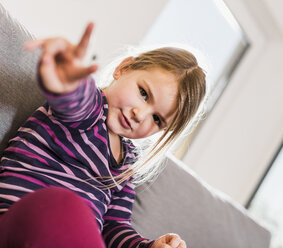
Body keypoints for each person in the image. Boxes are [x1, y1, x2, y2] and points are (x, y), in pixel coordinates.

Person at [0, 22, 206, 248]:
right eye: (144, 93)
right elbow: (74, 98)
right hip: (17, 220)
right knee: (67, 206)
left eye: (157, 119)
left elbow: (115, 227)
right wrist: (68, 76)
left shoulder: (126, 165)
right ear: (124, 68)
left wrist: (147, 246)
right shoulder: (90, 110)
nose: (140, 114)